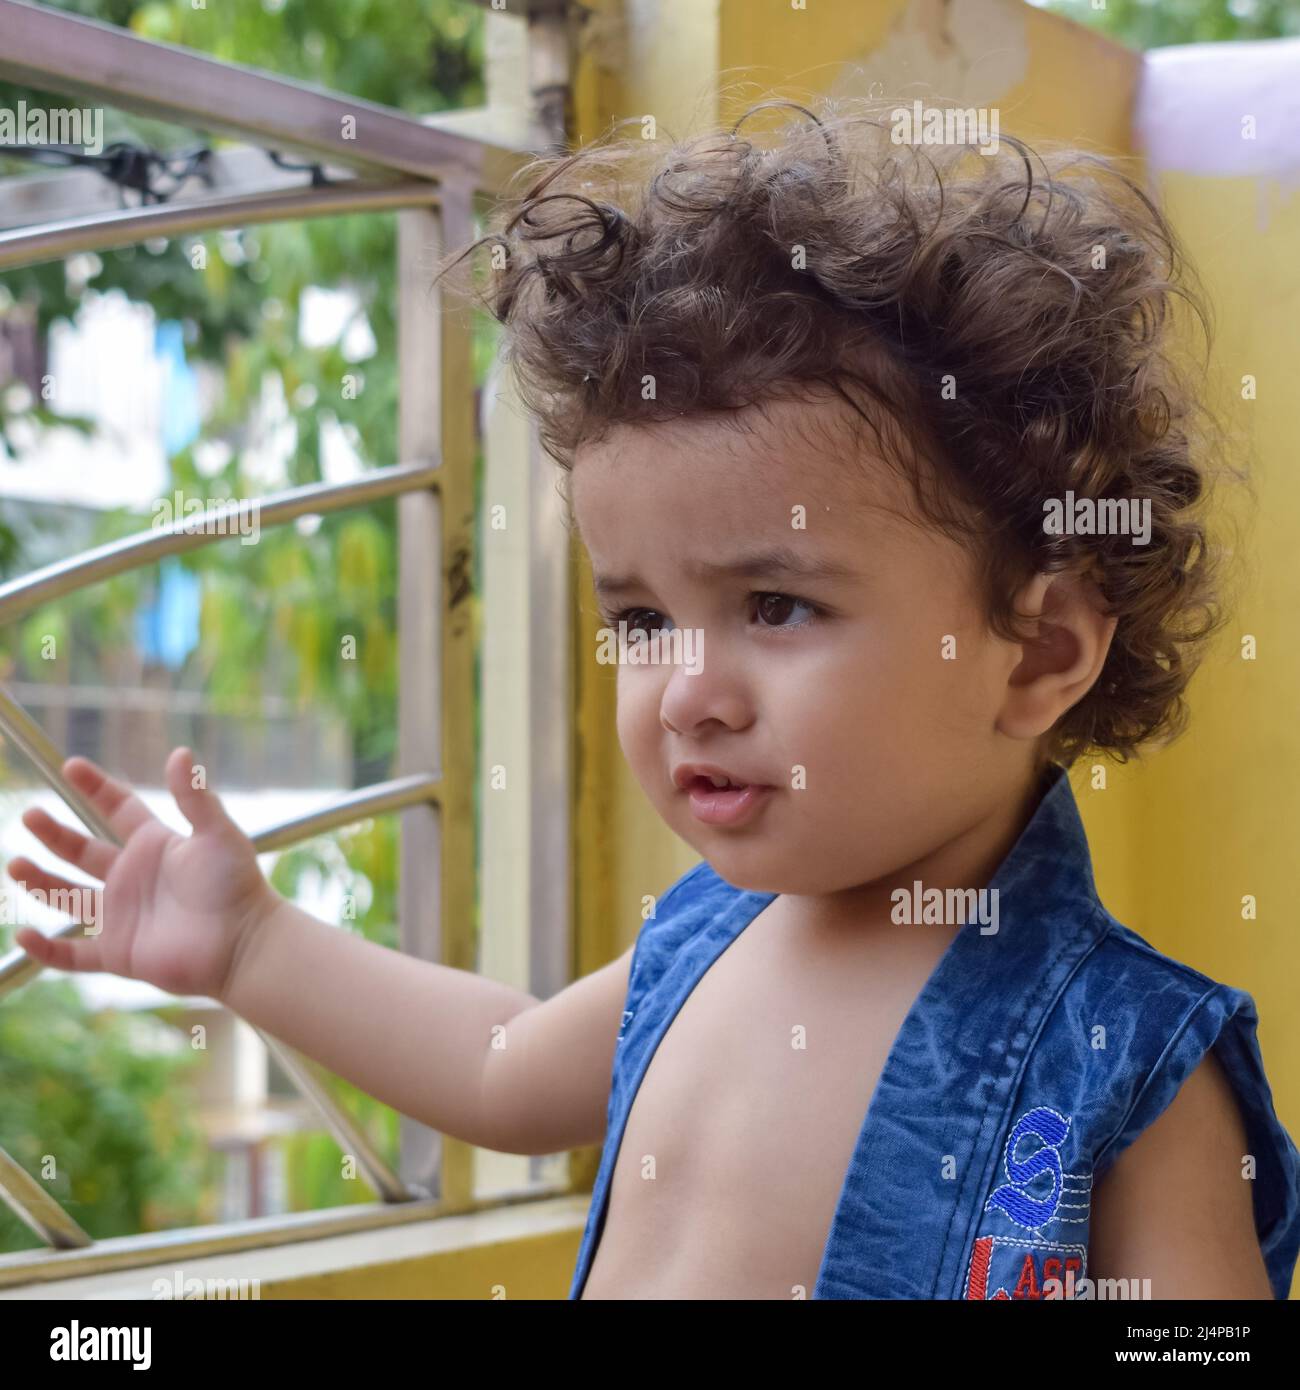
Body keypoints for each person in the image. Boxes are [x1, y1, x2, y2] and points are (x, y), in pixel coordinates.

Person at [11, 97, 1300, 1300]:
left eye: (778, 606)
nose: (687, 693)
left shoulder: (1128, 1074)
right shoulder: (711, 935)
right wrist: (254, 948)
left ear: (1035, 656)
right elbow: (501, 1067)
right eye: (639, 618)